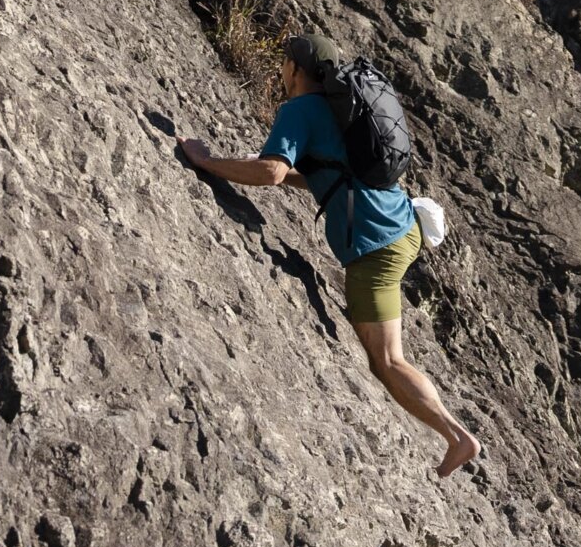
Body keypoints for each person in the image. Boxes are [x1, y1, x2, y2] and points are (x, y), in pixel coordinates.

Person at [178, 33, 481, 479]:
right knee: (387, 353)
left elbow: (272, 171)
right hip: (403, 227)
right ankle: (457, 435)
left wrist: (206, 162)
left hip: (375, 249)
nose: (282, 70)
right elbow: (327, 174)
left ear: (295, 69)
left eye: (284, 63)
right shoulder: (347, 106)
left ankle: (458, 437)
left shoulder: (298, 110)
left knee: (388, 361)